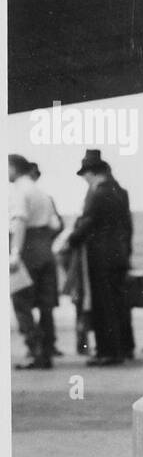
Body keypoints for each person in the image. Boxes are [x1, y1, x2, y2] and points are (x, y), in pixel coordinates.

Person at [65, 150, 134, 366]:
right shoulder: (121, 191)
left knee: (104, 306)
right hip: (120, 255)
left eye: (85, 175)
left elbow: (88, 222)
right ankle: (125, 347)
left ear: (92, 173)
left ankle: (108, 352)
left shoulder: (97, 193)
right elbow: (127, 226)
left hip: (101, 257)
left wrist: (71, 239)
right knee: (120, 303)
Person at [8, 153, 61, 369]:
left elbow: (19, 222)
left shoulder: (20, 191)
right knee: (46, 304)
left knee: (21, 301)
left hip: (27, 248)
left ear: (13, 168)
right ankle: (46, 350)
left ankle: (35, 350)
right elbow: (55, 225)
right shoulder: (42, 192)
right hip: (45, 248)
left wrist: (14, 253)